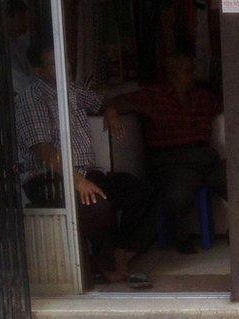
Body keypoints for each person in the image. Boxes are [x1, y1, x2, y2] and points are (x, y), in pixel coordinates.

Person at [15, 39, 157, 288]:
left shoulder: (71, 90)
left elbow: (100, 101)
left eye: (65, 62)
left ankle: (119, 255)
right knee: (97, 206)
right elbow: (46, 154)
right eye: (55, 64)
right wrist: (77, 180)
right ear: (38, 70)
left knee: (139, 190)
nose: (65, 68)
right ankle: (101, 266)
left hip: (86, 174)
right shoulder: (32, 99)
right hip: (48, 178)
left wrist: (110, 111)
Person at [109, 52, 227, 254]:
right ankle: (180, 239)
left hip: (204, 159)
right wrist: (111, 111)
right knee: (177, 195)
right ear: (173, 74)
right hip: (172, 161)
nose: (192, 75)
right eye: (187, 71)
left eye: (192, 70)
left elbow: (228, 106)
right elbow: (115, 101)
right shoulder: (153, 97)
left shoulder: (201, 97)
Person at [6, 0, 32, 95]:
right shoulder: (3, 50)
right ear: (9, 19)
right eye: (21, 18)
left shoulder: (22, 43)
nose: (25, 23)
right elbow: (18, 82)